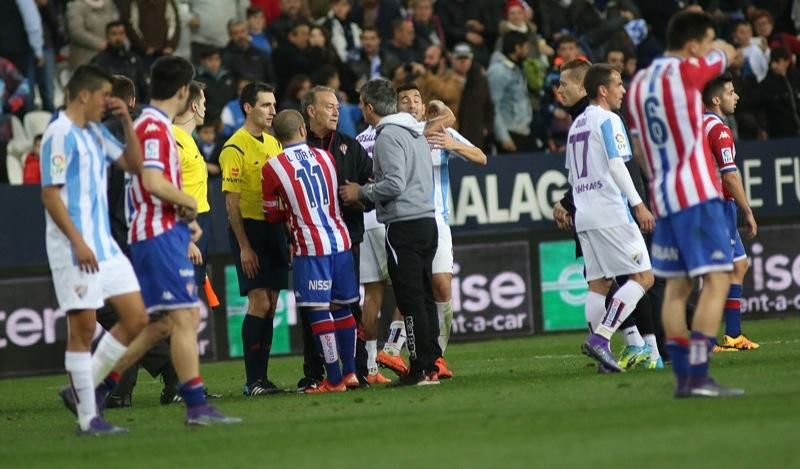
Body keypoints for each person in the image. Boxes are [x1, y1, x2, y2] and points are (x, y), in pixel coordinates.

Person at [115, 56, 240, 425]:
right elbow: (153, 182)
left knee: (161, 323)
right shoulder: (156, 127)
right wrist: (187, 207)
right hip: (158, 233)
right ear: (185, 91)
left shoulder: (153, 127)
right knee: (182, 318)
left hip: (165, 229)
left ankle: (94, 386)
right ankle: (196, 407)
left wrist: (185, 219)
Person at [626, 11, 742, 397]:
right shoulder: (688, 72)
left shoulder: (640, 82)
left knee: (675, 287)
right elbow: (725, 54)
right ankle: (698, 372)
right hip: (696, 193)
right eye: (705, 40)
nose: (708, 47)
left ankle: (683, 379)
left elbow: (640, 146)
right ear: (693, 46)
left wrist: (658, 182)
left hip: (663, 195)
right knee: (719, 279)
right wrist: (720, 48)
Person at [42, 64, 146, 435]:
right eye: (104, 96)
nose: (108, 102)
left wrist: (128, 123)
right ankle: (89, 418)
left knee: (136, 317)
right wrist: (77, 241)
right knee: (83, 328)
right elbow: (50, 194)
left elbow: (133, 164)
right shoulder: (58, 133)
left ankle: (83, 389)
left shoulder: (96, 132)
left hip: (106, 244)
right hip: (75, 246)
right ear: (84, 95)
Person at [339, 78, 443, 385]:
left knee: (410, 300)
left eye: (361, 105)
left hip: (404, 225)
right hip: (426, 221)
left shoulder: (387, 136)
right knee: (423, 297)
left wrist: (361, 191)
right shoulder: (416, 131)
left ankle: (421, 368)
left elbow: (394, 183)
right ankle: (429, 363)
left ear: (369, 109)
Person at [562, 64, 655, 373]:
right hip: (609, 209)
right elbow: (617, 166)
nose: (623, 90)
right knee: (644, 277)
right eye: (618, 84)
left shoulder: (576, 125)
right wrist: (638, 204)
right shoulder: (608, 119)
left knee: (598, 285)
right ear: (602, 90)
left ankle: (604, 357)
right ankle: (601, 339)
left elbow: (573, 175)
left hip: (584, 213)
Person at [262, 109, 360, 393]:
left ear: (274, 136)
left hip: (309, 246)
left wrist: (289, 211)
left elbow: (270, 214)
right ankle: (351, 373)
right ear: (303, 130)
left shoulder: (272, 168)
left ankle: (333, 379)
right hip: (341, 241)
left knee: (318, 311)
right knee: (342, 308)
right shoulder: (326, 157)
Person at [395, 83, 487, 376]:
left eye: (416, 99)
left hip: (438, 222)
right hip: (407, 220)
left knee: (441, 287)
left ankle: (438, 356)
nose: (411, 104)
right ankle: (393, 352)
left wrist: (453, 145)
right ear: (396, 108)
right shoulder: (396, 136)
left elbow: (481, 157)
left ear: (423, 108)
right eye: (405, 100)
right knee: (411, 290)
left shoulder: (439, 133)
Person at [301, 85, 374, 387]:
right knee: (313, 308)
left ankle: (354, 369)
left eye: (337, 106)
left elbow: (372, 187)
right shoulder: (295, 148)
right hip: (309, 242)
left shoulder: (349, 145)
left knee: (348, 305)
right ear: (310, 110)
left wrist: (358, 197)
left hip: (347, 239)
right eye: (329, 106)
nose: (336, 111)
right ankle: (314, 374)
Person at [219, 82, 288, 396]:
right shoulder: (234, 148)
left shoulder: (273, 144)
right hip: (249, 230)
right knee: (259, 301)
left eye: (273, 105)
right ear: (247, 107)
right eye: (265, 105)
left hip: (273, 230)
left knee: (272, 304)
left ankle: (262, 378)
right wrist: (244, 245)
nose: (272, 111)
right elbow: (231, 202)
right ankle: (252, 380)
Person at [702, 73, 760, 351]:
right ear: (716, 99)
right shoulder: (719, 129)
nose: (735, 97)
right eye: (730, 93)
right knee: (715, 274)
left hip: (704, 204)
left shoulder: (698, 125)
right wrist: (747, 210)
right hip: (716, 206)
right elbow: (729, 176)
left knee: (739, 264)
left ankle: (733, 334)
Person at [173, 81, 212, 296]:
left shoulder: (188, 139)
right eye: (203, 102)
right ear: (195, 106)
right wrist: (185, 239)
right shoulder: (173, 140)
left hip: (198, 224)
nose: (206, 108)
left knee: (189, 304)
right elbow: (167, 191)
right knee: (180, 306)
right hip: (186, 229)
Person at [488, 31, 534, 153]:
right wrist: (504, 137)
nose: (527, 51)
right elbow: (493, 107)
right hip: (509, 134)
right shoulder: (498, 72)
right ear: (517, 48)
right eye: (525, 47)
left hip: (522, 130)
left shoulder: (517, 68)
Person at [90, 20, 150, 104]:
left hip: (135, 109)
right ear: (107, 36)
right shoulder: (99, 61)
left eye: (121, 33)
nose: (118, 38)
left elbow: (144, 87)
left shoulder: (134, 59)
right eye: (114, 34)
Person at [65, 0, 120, 71]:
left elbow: (116, 24)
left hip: (109, 57)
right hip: (84, 59)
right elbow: (76, 32)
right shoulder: (76, 6)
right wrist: (100, 44)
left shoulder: (108, 3)